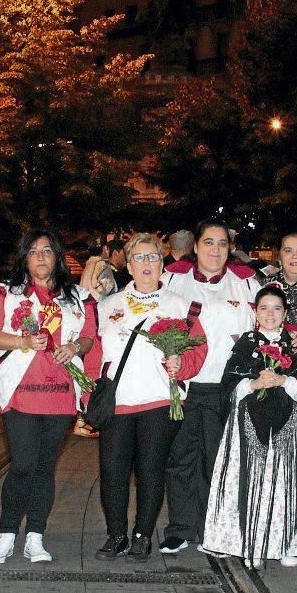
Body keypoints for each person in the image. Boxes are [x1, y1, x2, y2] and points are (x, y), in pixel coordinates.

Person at [0, 231, 97, 563]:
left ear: (58, 257)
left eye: (47, 251)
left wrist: (74, 347)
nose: (41, 257)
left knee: (44, 468)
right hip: (20, 391)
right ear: (24, 259)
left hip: (61, 393)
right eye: (33, 252)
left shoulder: (78, 296)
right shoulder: (7, 293)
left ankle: (35, 536)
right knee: (23, 464)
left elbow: (88, 338)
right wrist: (24, 342)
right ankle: (6, 535)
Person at [94, 234, 207, 561]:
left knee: (151, 471)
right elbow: (94, 352)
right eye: (139, 258)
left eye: (153, 257)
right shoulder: (107, 306)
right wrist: (95, 387)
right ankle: (116, 535)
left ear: (163, 263)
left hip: (159, 400)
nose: (146, 264)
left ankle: (143, 534)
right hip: (118, 402)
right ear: (128, 266)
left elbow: (199, 348)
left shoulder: (180, 305)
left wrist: (180, 365)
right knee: (112, 471)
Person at [203, 287, 297, 568]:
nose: (270, 314)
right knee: (252, 481)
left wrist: (284, 382)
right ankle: (254, 544)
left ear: (285, 313)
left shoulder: (295, 346)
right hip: (249, 426)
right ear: (255, 312)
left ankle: (287, 543)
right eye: (264, 308)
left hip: (290, 426)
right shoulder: (245, 345)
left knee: (286, 482)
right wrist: (254, 384)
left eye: (276, 309)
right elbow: (228, 385)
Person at [160, 221, 261, 554]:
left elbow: (266, 322)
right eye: (208, 242)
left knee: (217, 460)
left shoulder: (245, 283)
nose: (215, 250)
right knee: (179, 458)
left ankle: (213, 529)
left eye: (221, 244)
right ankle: (179, 527)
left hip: (226, 387)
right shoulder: (173, 278)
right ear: (195, 246)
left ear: (229, 249)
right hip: (182, 386)